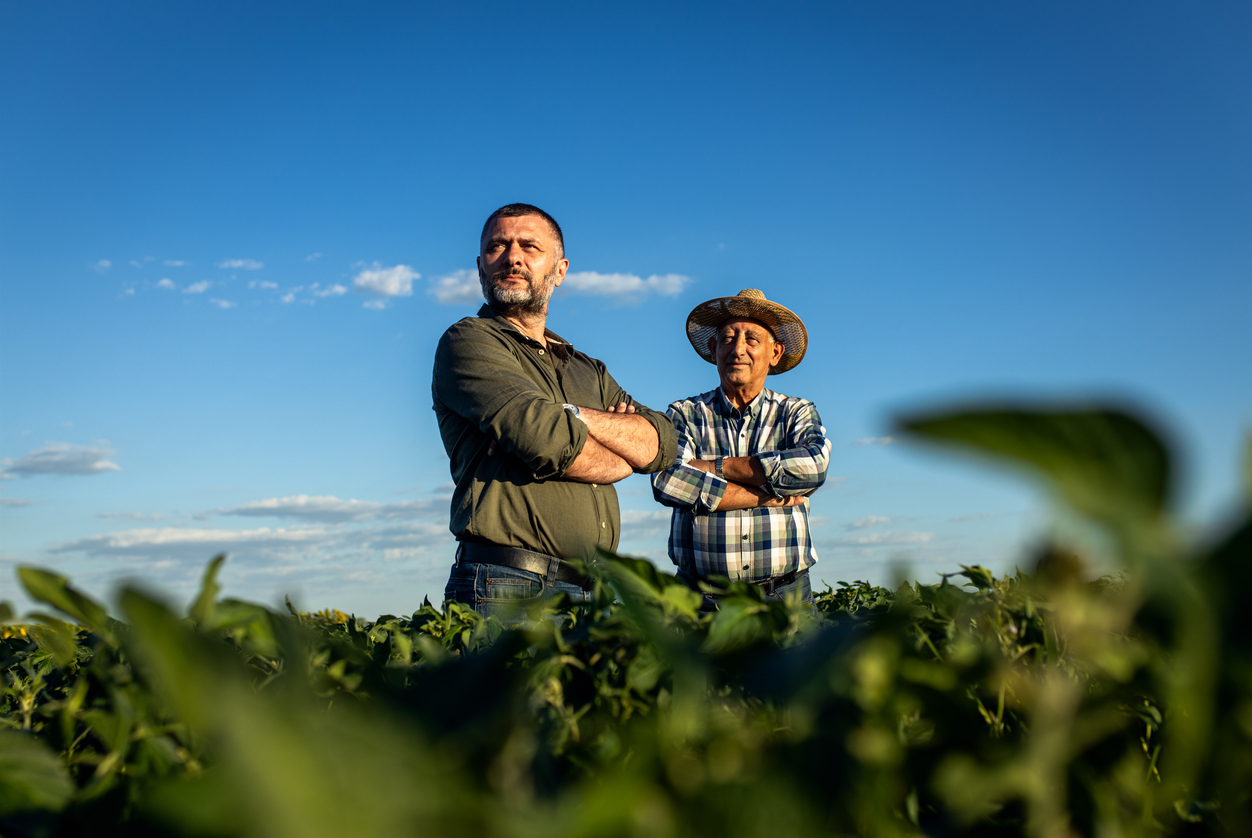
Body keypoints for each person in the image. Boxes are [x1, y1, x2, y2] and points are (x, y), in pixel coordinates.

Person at [434, 203, 677, 619]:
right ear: (480, 266)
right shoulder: (469, 342)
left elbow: (664, 441)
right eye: (498, 246)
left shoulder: (587, 369)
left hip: (593, 593)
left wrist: (572, 415)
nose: (512, 257)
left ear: (560, 270)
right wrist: (622, 453)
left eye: (529, 246)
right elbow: (545, 440)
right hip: (507, 587)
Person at [651, 289, 831, 609]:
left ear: (774, 353)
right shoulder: (684, 413)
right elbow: (669, 481)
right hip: (702, 599)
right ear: (713, 349)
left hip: (785, 595)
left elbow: (813, 468)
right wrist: (769, 496)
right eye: (727, 338)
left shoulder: (795, 412)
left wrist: (714, 467)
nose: (737, 349)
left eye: (751, 339)